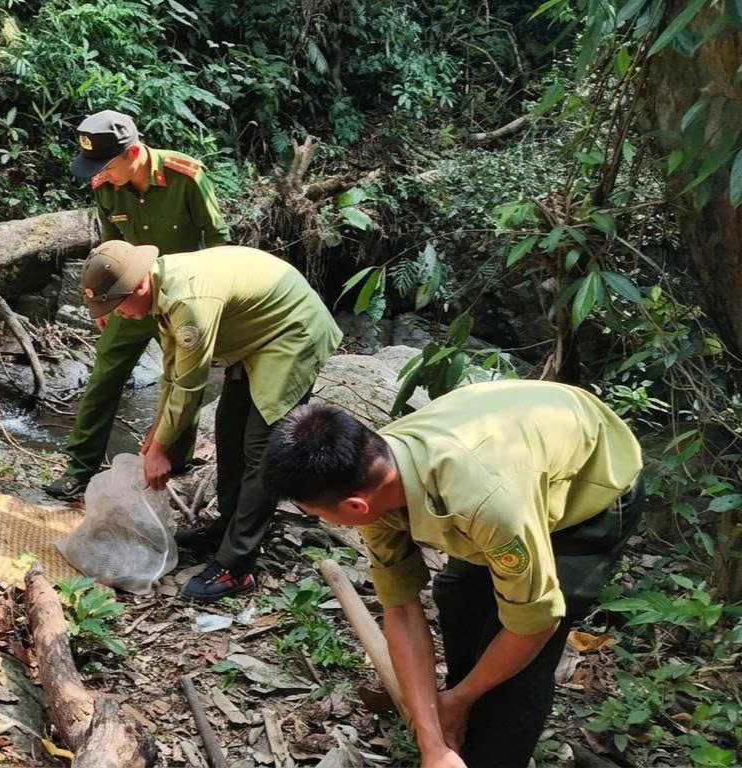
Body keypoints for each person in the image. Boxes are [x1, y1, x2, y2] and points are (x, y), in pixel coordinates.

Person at [261, 381, 644, 768]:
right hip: (514, 458)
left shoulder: (487, 504)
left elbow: (534, 624)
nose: (323, 521)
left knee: (517, 673)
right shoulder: (372, 469)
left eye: (317, 515)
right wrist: (431, 737)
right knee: (460, 597)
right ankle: (455, 732)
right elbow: (402, 608)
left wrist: (457, 700)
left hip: (590, 479)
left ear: (355, 507)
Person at [78, 240, 342, 601]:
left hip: (290, 333)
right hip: (252, 337)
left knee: (262, 451)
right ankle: (226, 528)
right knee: (229, 435)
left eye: (116, 305)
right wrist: (158, 433)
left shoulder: (189, 302)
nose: (115, 315)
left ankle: (237, 566)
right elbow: (172, 370)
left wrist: (160, 451)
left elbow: (190, 385)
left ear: (139, 285)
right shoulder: (161, 287)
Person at [45, 110, 229, 500]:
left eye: (107, 166)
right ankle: (80, 467)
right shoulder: (106, 187)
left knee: (182, 381)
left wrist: (216, 303)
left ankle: (173, 465)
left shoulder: (187, 177)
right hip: (131, 298)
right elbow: (110, 249)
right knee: (104, 377)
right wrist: (109, 304)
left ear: (132, 154)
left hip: (183, 300)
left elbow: (218, 242)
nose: (102, 175)